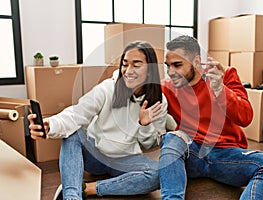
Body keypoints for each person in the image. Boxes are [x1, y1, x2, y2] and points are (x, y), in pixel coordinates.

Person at [28, 41, 167, 200]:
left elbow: (150, 144)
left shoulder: (159, 101)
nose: (128, 71)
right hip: (96, 156)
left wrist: (144, 125)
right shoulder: (108, 89)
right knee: (74, 132)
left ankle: (87, 189)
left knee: (157, 174)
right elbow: (77, 113)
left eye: (136, 65)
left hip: (125, 159)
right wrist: (49, 125)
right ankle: (72, 196)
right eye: (125, 64)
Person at [159, 35, 263, 200]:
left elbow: (246, 117)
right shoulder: (167, 87)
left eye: (177, 65)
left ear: (196, 61)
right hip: (193, 155)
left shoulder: (225, 75)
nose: (171, 72)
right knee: (172, 138)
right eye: (167, 66)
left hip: (227, 155)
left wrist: (219, 89)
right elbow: (136, 94)